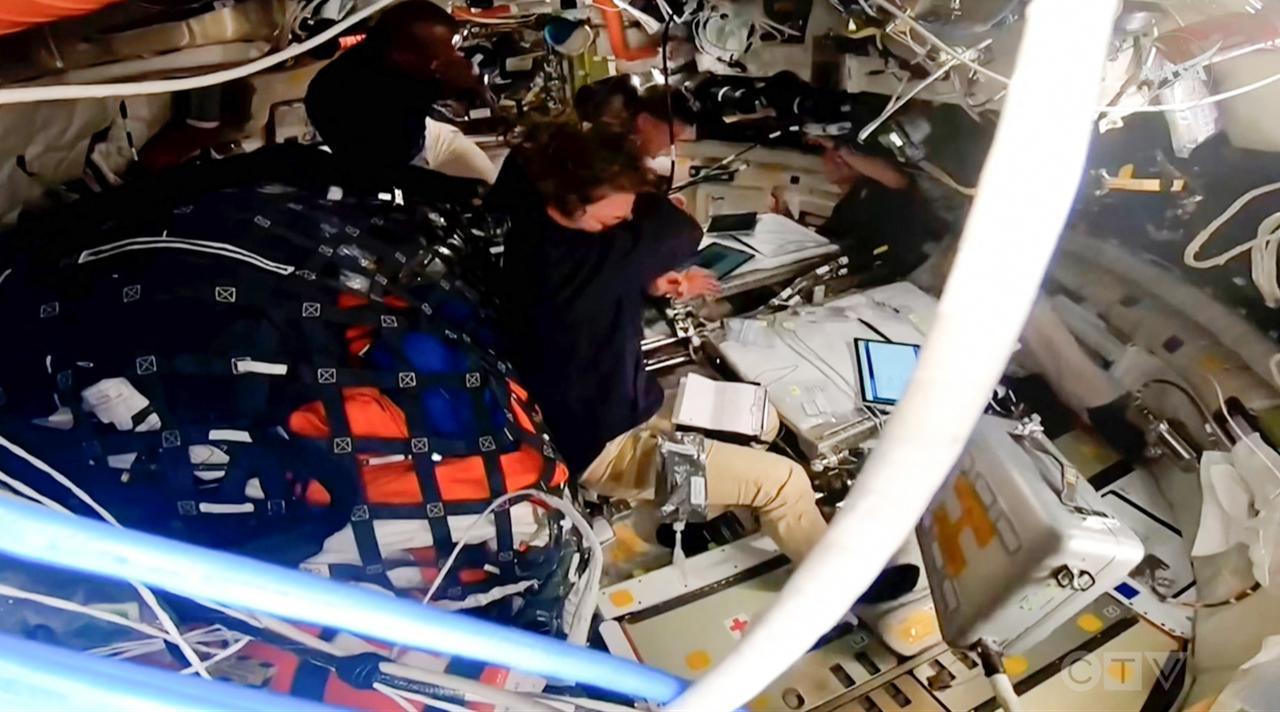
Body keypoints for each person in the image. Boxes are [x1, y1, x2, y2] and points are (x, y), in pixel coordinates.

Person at [486, 119, 825, 564]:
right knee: (786, 482)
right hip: (606, 450)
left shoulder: (543, 231)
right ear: (573, 202)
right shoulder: (568, 264)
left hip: (623, 407)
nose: (627, 222)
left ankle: (687, 511)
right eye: (617, 217)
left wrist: (642, 281)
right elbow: (680, 229)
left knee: (764, 424)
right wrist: (637, 197)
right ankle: (846, 582)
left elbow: (600, 285)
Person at [304, 0, 498, 183]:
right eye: (442, 59)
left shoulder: (384, 54)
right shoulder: (358, 103)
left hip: (425, 138)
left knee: (488, 178)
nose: (456, 56)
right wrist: (469, 81)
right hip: (393, 165)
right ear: (403, 58)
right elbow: (386, 172)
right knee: (482, 192)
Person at [812, 140, 946, 285]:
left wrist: (840, 148)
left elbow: (896, 179)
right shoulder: (850, 202)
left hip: (896, 274)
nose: (827, 163)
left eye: (838, 158)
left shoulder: (881, 190)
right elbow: (826, 238)